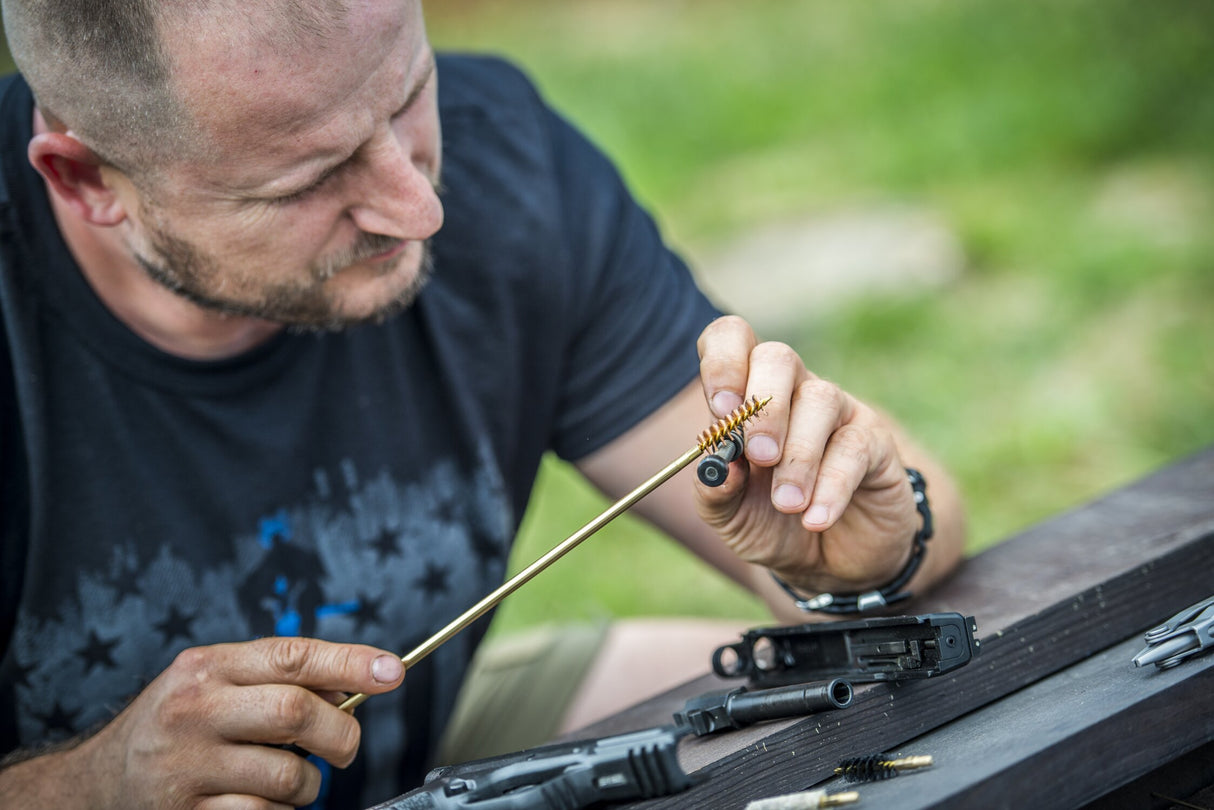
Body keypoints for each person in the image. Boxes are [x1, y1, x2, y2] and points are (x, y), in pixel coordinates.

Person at [0, 0, 964, 807]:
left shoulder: (509, 163)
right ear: (87, 180)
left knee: (874, 720)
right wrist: (92, 785)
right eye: (312, 176)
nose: (420, 211)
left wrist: (857, 552)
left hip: (434, 743)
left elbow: (905, 525)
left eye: (411, 95)